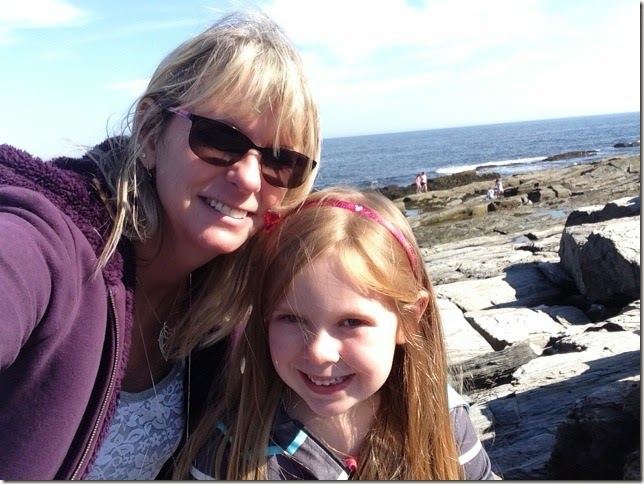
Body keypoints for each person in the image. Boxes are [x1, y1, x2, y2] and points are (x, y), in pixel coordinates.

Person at [0, 9, 320, 480]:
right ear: (151, 132)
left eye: (281, 161)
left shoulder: (230, 303)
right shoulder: (53, 246)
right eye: (218, 139)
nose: (249, 178)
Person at [176, 187, 498, 480]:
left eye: (351, 322)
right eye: (291, 318)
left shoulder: (441, 421)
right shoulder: (230, 454)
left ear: (409, 320)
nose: (318, 351)